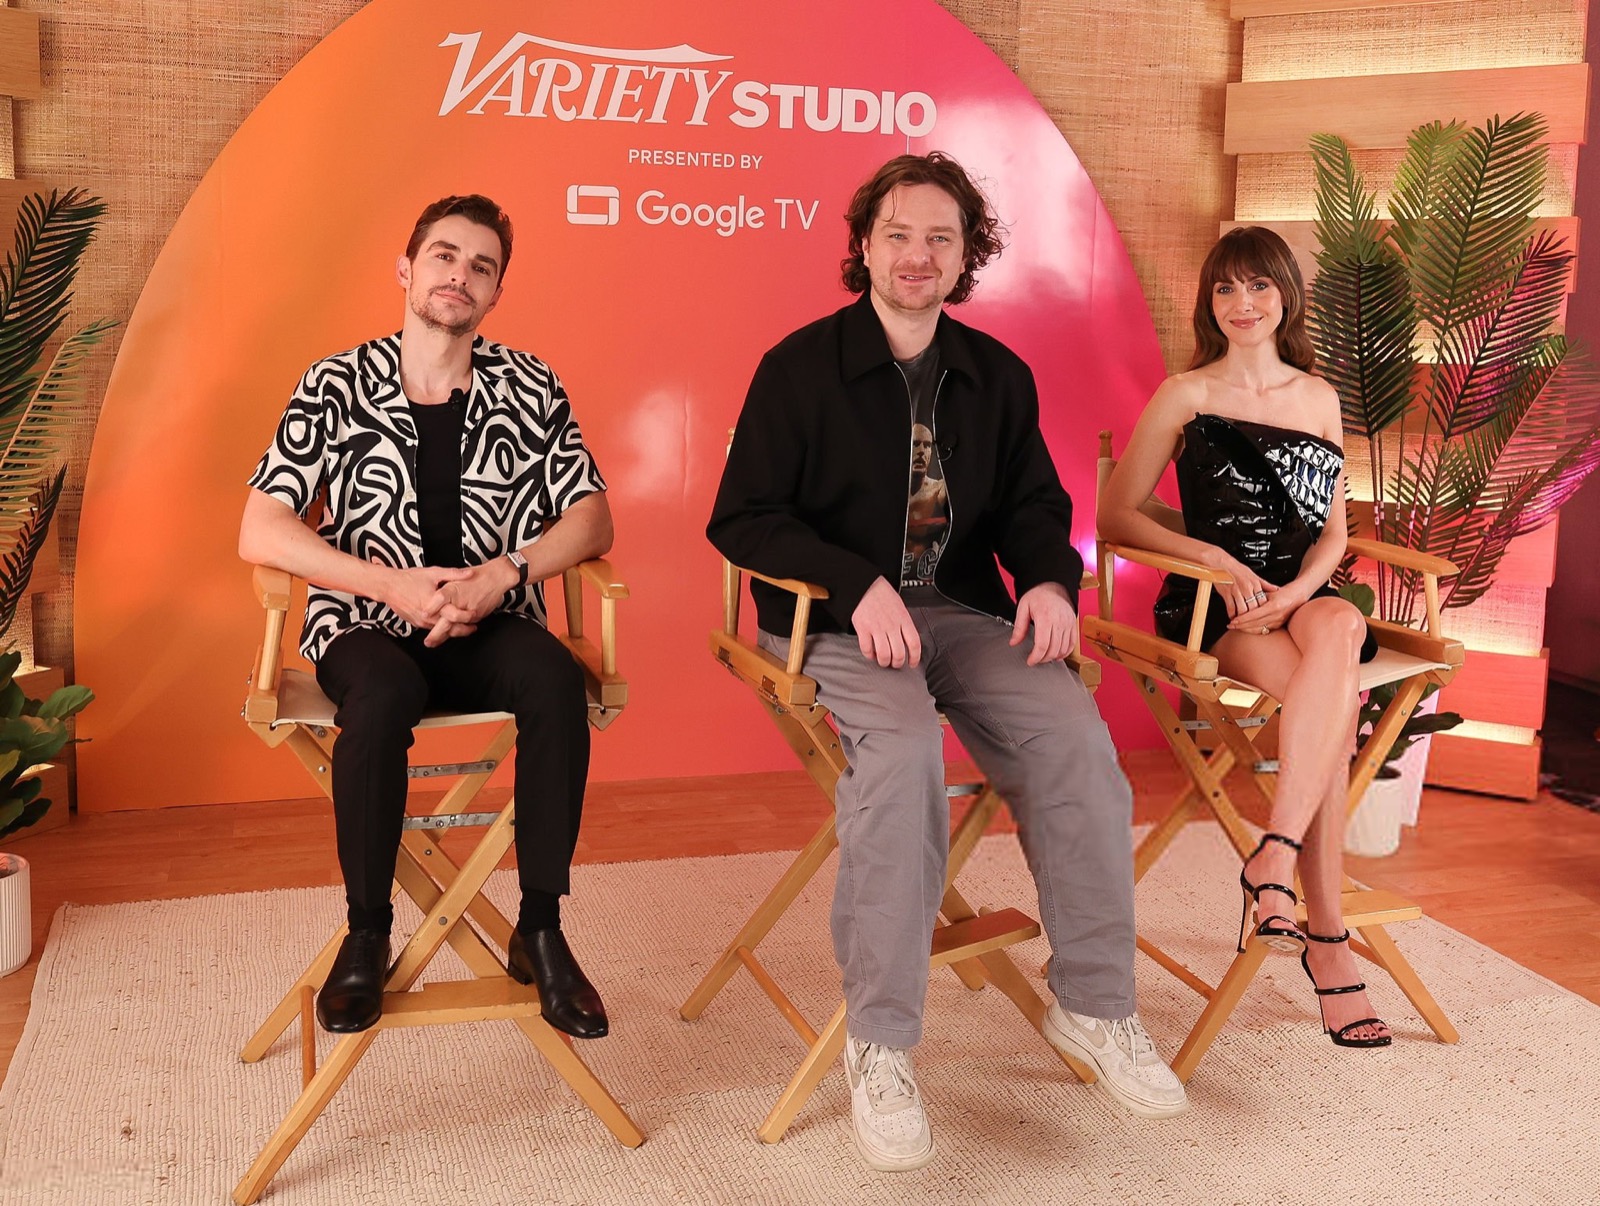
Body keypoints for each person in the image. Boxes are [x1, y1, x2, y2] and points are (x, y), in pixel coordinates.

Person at [708, 152, 1186, 1173]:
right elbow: (742, 519)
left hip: (964, 612)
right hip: (832, 621)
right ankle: (880, 1044)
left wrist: (1049, 581)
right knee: (903, 763)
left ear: (968, 254)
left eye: (940, 237)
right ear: (864, 246)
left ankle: (1094, 1005)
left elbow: (1034, 506)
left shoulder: (996, 375)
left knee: (1077, 747)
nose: (917, 254)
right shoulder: (798, 367)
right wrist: (854, 584)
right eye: (898, 234)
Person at [239, 194, 613, 1040]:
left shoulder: (530, 385)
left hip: (492, 620)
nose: (460, 275)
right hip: (367, 628)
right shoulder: (335, 383)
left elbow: (593, 519)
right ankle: (366, 933)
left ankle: (542, 929)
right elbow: (260, 527)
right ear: (406, 269)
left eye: (482, 266)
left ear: (496, 292)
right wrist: (388, 586)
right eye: (444, 256)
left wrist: (505, 574)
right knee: (379, 699)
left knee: (555, 679)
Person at [1098, 225, 1390, 1050]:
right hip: (1218, 607)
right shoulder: (1185, 394)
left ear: (1286, 296)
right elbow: (1115, 514)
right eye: (1226, 287)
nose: (1243, 302)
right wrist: (1214, 558)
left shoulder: (1319, 396)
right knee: (1333, 712)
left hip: (1300, 597)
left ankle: (1275, 859)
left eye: (1259, 285)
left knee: (1341, 619)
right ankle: (1328, 942)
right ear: (1210, 303)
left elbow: (1335, 532)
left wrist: (1298, 592)